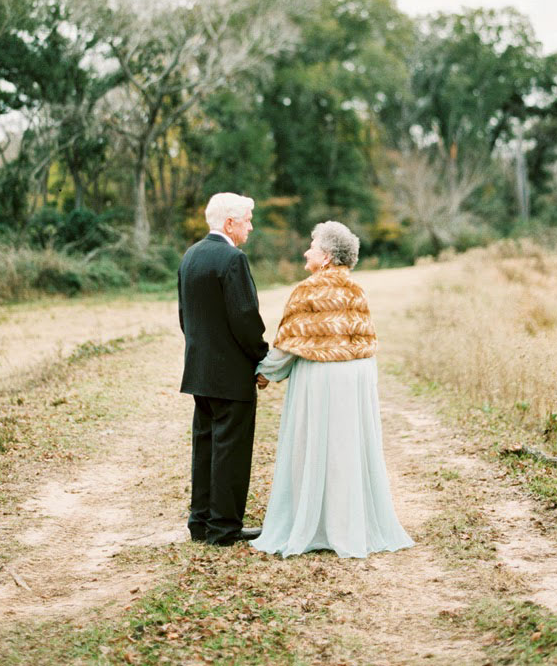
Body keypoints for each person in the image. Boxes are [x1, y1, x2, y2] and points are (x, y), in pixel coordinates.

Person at [250, 220, 415, 558]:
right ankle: (348, 523)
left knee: (315, 446)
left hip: (322, 375)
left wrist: (263, 372)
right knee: (346, 448)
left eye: (311, 246)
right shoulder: (357, 290)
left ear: (325, 257)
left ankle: (317, 522)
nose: (305, 251)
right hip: (356, 376)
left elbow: (288, 345)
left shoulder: (308, 290)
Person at [178, 192, 269, 546]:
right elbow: (245, 317)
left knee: (206, 447)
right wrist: (260, 356)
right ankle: (224, 528)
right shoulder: (232, 259)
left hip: (199, 370)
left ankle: (199, 522)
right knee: (230, 450)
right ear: (229, 223)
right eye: (247, 219)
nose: (250, 225)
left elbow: (185, 317)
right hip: (231, 373)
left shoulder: (191, 256)